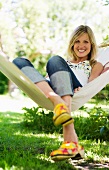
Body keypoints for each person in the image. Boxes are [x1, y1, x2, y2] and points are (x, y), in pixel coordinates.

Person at [12, 25, 103, 161]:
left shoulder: (95, 64)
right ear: (72, 44)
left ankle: (61, 107)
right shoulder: (64, 63)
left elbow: (92, 84)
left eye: (86, 42)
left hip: (75, 87)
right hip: (53, 90)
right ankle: (71, 140)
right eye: (77, 41)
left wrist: (82, 90)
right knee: (18, 61)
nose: (81, 46)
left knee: (54, 59)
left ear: (92, 44)